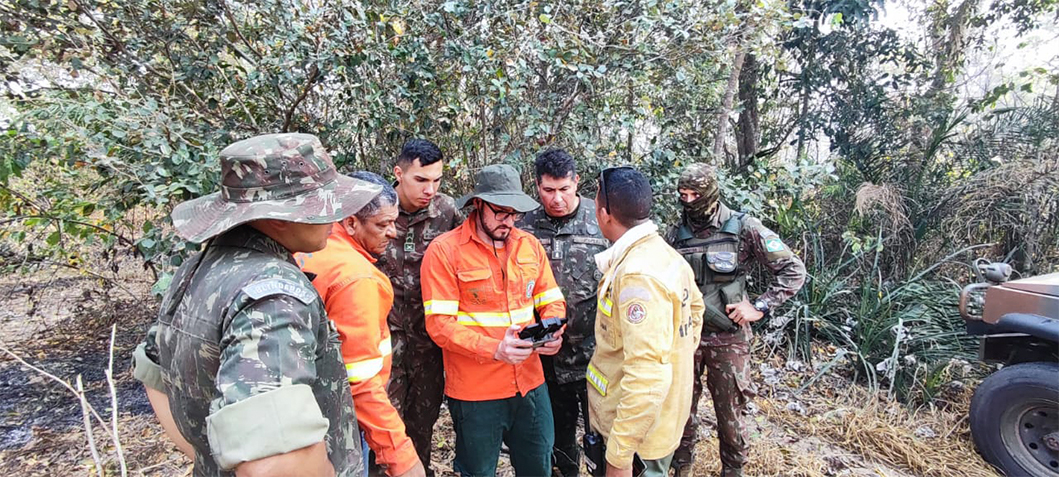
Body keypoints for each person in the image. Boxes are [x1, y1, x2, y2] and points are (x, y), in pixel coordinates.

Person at [131, 133, 382, 477]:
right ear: (279, 216)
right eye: (325, 205)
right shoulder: (273, 296)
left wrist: (208, 458)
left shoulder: (202, 266)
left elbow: (153, 373)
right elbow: (274, 463)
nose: (335, 217)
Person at [420, 164, 567, 477]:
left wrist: (553, 329)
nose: (508, 221)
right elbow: (440, 325)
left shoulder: (529, 246)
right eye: (500, 212)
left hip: (530, 384)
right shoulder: (445, 252)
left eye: (515, 213)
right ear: (477, 204)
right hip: (476, 392)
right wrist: (495, 348)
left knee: (539, 465)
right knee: (478, 471)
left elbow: (551, 299)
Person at [666, 163, 806, 477]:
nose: (688, 201)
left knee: (729, 414)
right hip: (686, 336)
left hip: (728, 339)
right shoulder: (675, 233)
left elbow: (793, 270)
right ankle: (681, 469)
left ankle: (733, 471)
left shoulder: (744, 227)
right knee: (679, 412)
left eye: (695, 195)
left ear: (711, 194)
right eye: (683, 194)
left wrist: (759, 306)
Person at [296, 172, 426, 477]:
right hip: (334, 419)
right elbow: (360, 381)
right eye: (382, 225)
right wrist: (403, 459)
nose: (393, 233)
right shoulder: (356, 278)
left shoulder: (307, 247)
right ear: (351, 222)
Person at [586, 166, 704, 477]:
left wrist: (620, 456)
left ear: (604, 213)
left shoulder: (638, 275)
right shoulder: (664, 255)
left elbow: (648, 375)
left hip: (637, 440)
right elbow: (696, 310)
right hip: (649, 425)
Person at [516, 149, 608, 477]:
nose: (557, 199)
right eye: (548, 190)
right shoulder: (522, 224)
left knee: (606, 440)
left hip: (596, 356)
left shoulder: (601, 219)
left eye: (564, 189)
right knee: (558, 441)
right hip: (545, 360)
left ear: (576, 182)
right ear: (537, 186)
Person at [375, 139, 463, 476]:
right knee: (384, 430)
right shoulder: (375, 210)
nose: (430, 189)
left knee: (421, 428)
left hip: (428, 343)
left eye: (436, 180)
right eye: (420, 180)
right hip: (385, 340)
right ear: (398, 173)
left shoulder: (446, 212)